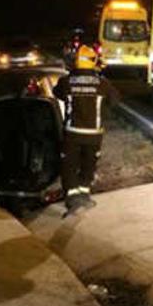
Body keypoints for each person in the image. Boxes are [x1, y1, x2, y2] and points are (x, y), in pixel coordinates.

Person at [52, 45, 118, 217]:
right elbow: (115, 101)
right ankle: (85, 195)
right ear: (94, 62)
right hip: (94, 135)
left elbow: (56, 93)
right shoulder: (103, 84)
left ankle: (72, 198)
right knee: (89, 164)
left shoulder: (66, 82)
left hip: (72, 134)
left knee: (69, 165)